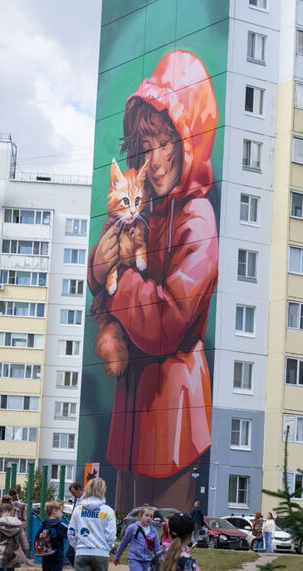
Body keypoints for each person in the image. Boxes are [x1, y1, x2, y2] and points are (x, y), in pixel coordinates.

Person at [88, 50, 220, 510]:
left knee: (164, 529)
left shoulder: (197, 219)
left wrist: (117, 277)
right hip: (134, 412)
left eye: (167, 142)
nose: (156, 159)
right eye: (146, 146)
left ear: (190, 140)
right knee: (125, 524)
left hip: (174, 413)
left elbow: (167, 321)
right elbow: (101, 260)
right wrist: (99, 266)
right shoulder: (147, 203)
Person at [37, 501, 69, 571]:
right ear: (55, 511)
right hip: (57, 555)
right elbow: (70, 534)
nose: (62, 514)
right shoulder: (59, 525)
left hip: (45, 555)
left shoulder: (43, 524)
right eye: (61, 511)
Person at [66, 482, 84, 567]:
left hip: (81, 530)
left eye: (74, 493)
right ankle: (79, 568)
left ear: (79, 490)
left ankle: (80, 568)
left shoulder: (85, 501)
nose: (73, 495)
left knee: (70, 552)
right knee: (71, 552)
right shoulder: (78, 500)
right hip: (75, 530)